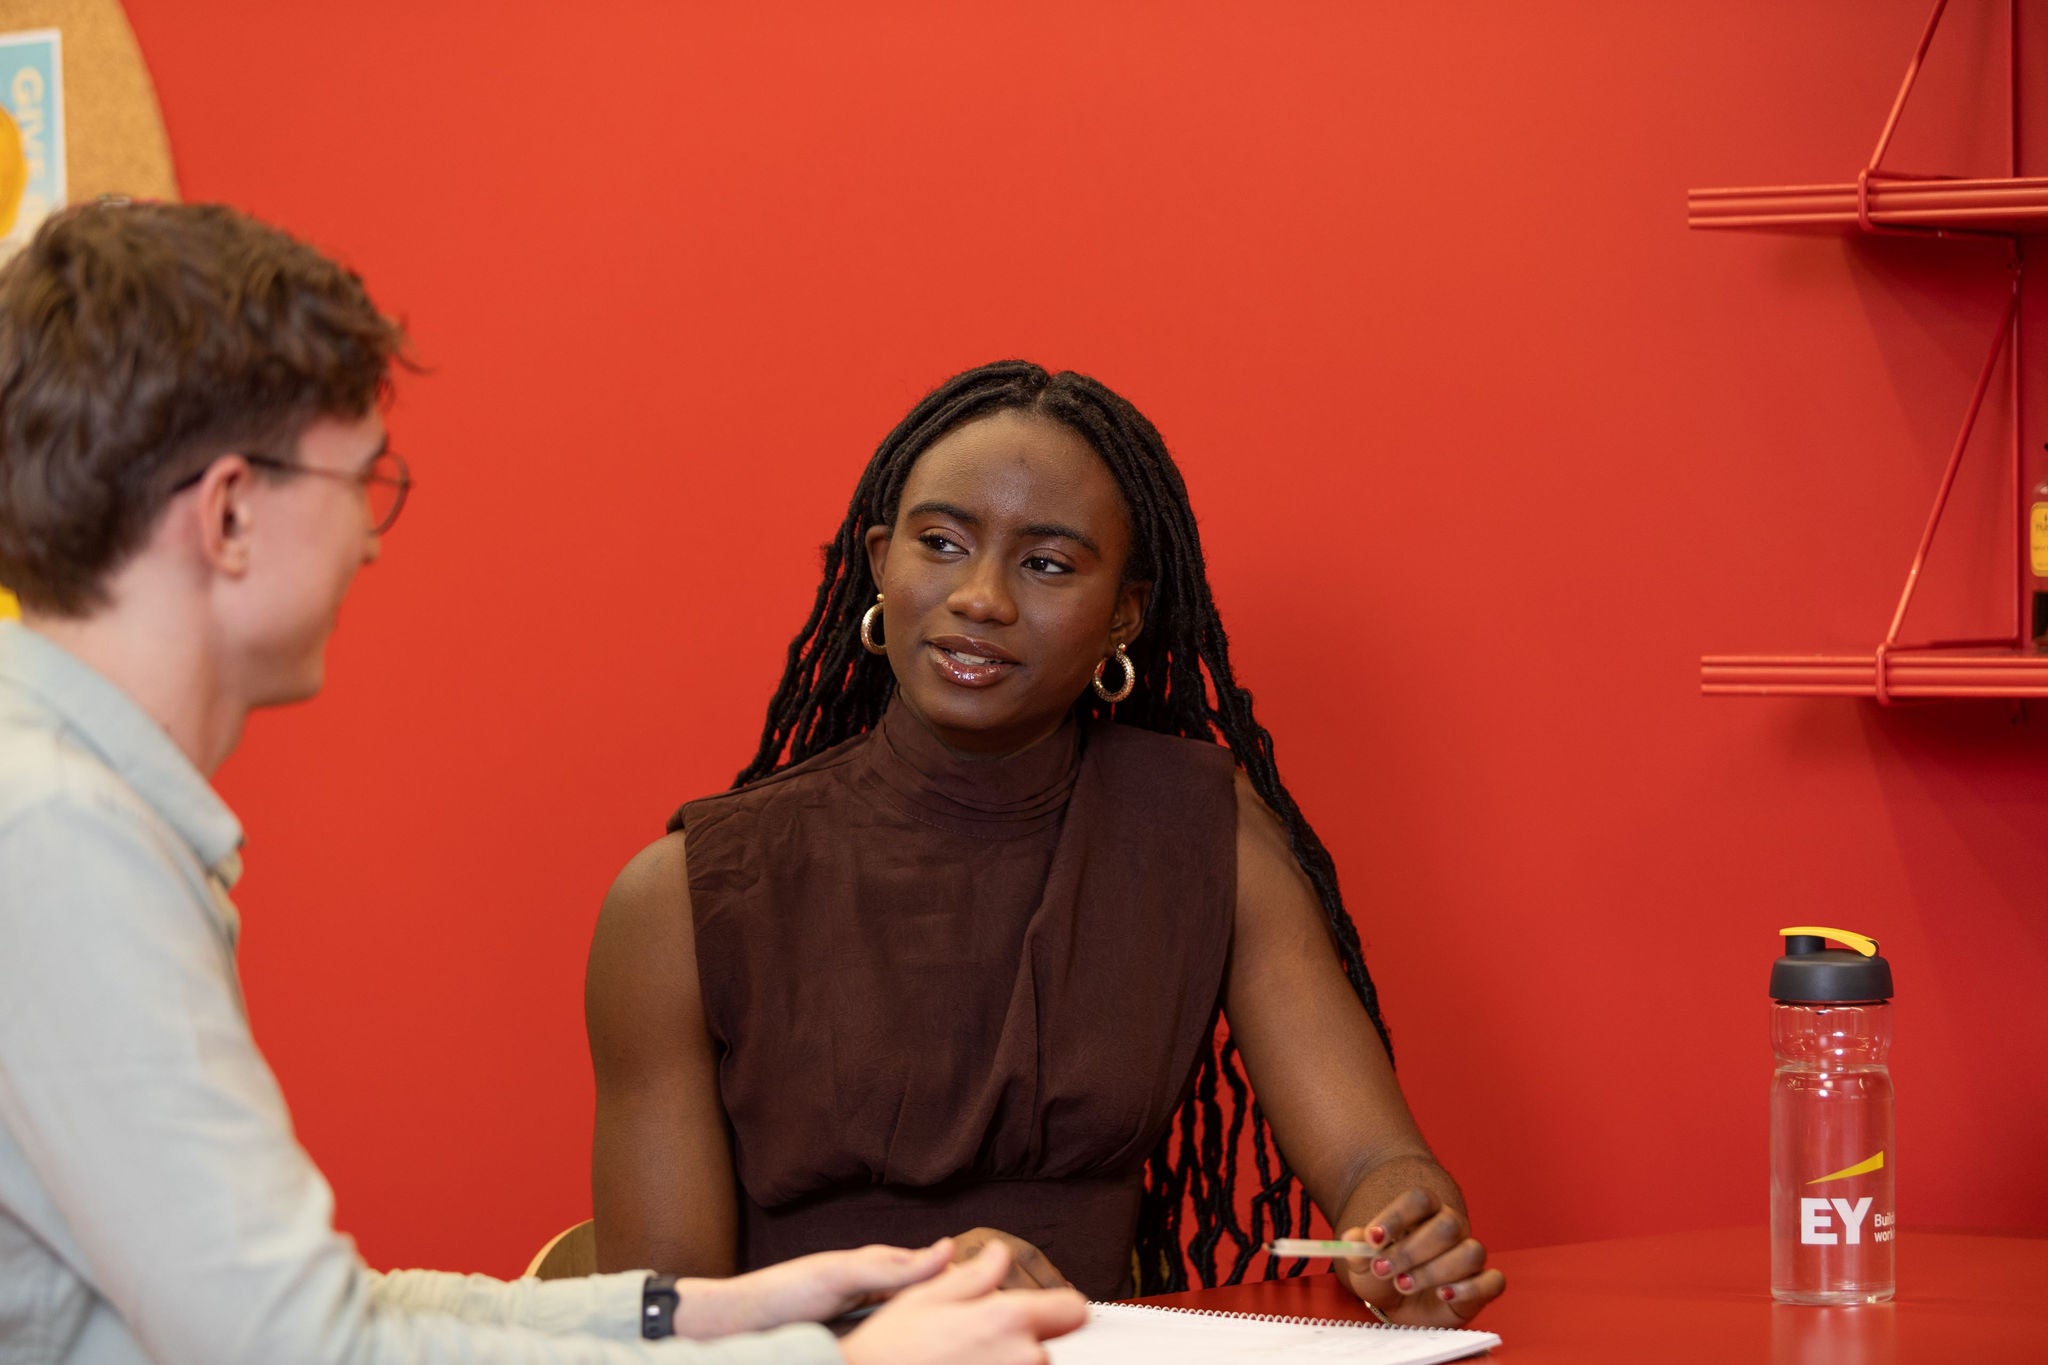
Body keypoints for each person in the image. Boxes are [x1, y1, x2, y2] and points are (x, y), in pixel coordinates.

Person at [0, 202, 1085, 1365]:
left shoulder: (62, 808)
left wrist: (701, 1315)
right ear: (227, 513)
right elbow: (296, 1351)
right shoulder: (60, 837)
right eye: (363, 482)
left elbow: (314, 1308)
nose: (371, 541)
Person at [587, 361, 1506, 1325]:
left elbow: (1372, 1162)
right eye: (940, 543)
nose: (980, 597)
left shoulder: (1200, 829)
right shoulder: (683, 898)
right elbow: (660, 1324)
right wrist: (921, 1285)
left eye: (1048, 563)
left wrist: (1404, 1229)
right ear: (877, 561)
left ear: (1124, 612)